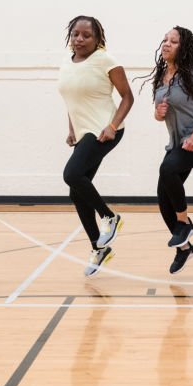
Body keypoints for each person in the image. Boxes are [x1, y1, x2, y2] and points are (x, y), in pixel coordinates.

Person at [58, 15, 134, 277]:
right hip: (83, 132)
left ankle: (110, 217)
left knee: (71, 175)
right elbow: (73, 101)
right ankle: (98, 248)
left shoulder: (106, 61)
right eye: (76, 34)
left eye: (86, 35)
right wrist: (71, 130)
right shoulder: (67, 64)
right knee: (76, 192)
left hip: (105, 130)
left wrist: (112, 125)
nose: (79, 39)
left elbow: (127, 97)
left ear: (97, 38)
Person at [146, 26, 193, 274]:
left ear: (183, 47)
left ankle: (184, 224)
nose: (166, 44)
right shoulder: (162, 76)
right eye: (165, 39)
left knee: (167, 168)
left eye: (173, 41)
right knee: (163, 199)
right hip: (178, 145)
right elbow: (159, 113)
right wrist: (158, 113)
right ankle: (185, 248)